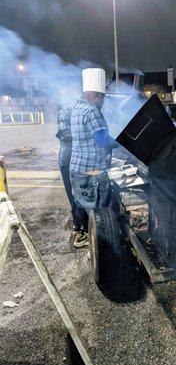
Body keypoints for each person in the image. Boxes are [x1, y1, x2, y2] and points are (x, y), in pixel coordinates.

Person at [69, 68, 117, 248]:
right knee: (99, 213)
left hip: (77, 169)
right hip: (92, 171)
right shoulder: (91, 111)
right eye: (103, 97)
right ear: (97, 94)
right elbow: (102, 140)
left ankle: (81, 236)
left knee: (81, 203)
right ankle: (99, 248)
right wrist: (123, 143)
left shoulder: (77, 108)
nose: (103, 102)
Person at [56, 104, 89, 248]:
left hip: (73, 159)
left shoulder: (75, 112)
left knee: (76, 195)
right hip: (68, 160)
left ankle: (78, 226)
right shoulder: (65, 112)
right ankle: (81, 232)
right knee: (76, 196)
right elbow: (64, 135)